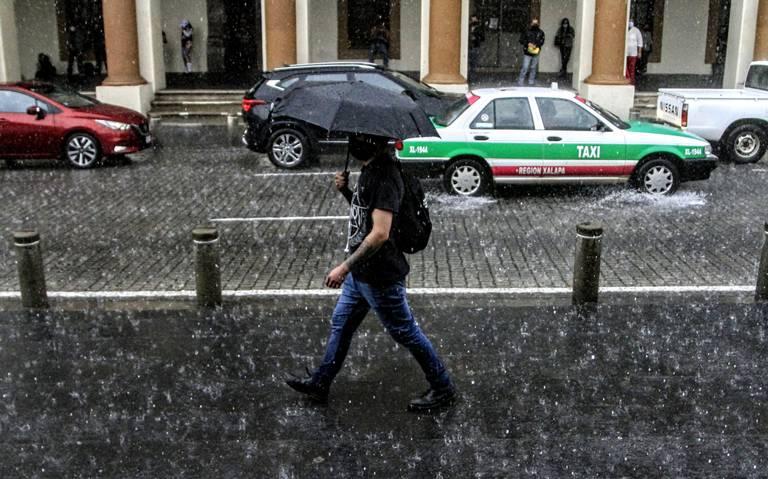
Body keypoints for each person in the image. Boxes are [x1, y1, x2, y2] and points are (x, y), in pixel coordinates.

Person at [285, 134, 456, 412]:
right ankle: (321, 381)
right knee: (341, 325)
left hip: (380, 277)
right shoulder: (369, 170)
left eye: (356, 139)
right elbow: (366, 213)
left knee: (406, 332)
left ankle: (443, 387)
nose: (351, 144)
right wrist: (346, 192)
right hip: (361, 276)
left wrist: (344, 267)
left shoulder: (386, 176)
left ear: (372, 142)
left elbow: (379, 233)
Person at [517, 18, 545, 86]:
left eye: (536, 23)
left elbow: (542, 41)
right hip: (527, 52)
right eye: (533, 23)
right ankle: (520, 81)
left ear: (538, 24)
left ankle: (531, 81)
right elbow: (521, 40)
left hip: (536, 52)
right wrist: (528, 43)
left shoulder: (541, 32)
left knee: (533, 67)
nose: (535, 24)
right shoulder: (526, 31)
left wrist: (536, 45)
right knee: (525, 67)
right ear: (531, 24)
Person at [626, 19, 643, 86]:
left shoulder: (636, 31)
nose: (630, 23)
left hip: (633, 53)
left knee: (632, 67)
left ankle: (631, 81)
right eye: (629, 21)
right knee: (625, 67)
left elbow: (640, 42)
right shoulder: (625, 29)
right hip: (625, 53)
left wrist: (639, 52)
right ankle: (628, 79)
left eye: (631, 21)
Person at [468, 14, 485, 83]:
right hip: (469, 47)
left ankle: (473, 79)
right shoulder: (469, 27)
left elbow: (483, 38)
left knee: (473, 65)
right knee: (469, 64)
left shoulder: (479, 28)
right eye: (472, 20)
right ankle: (470, 78)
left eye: (474, 20)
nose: (473, 21)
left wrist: (476, 37)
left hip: (475, 47)